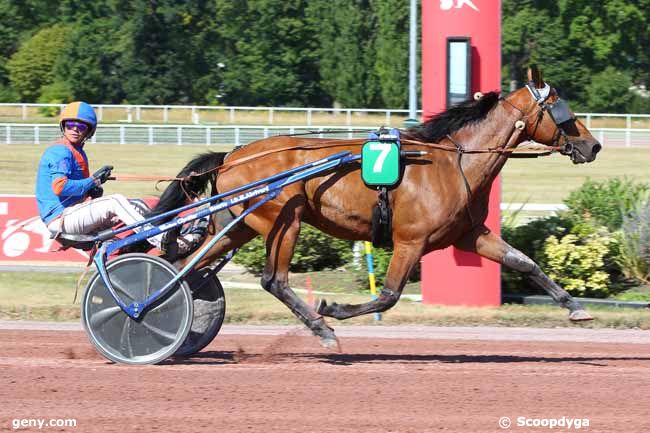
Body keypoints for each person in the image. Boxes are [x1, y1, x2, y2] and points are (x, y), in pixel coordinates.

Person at [35, 101, 205, 256]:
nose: (75, 129)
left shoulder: (78, 152)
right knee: (115, 201)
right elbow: (60, 187)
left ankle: (175, 236)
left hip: (72, 215)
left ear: (89, 130)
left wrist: (92, 192)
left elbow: (75, 192)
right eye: (70, 124)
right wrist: (92, 181)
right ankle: (159, 239)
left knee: (136, 206)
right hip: (61, 220)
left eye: (81, 125)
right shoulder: (61, 151)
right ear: (63, 126)